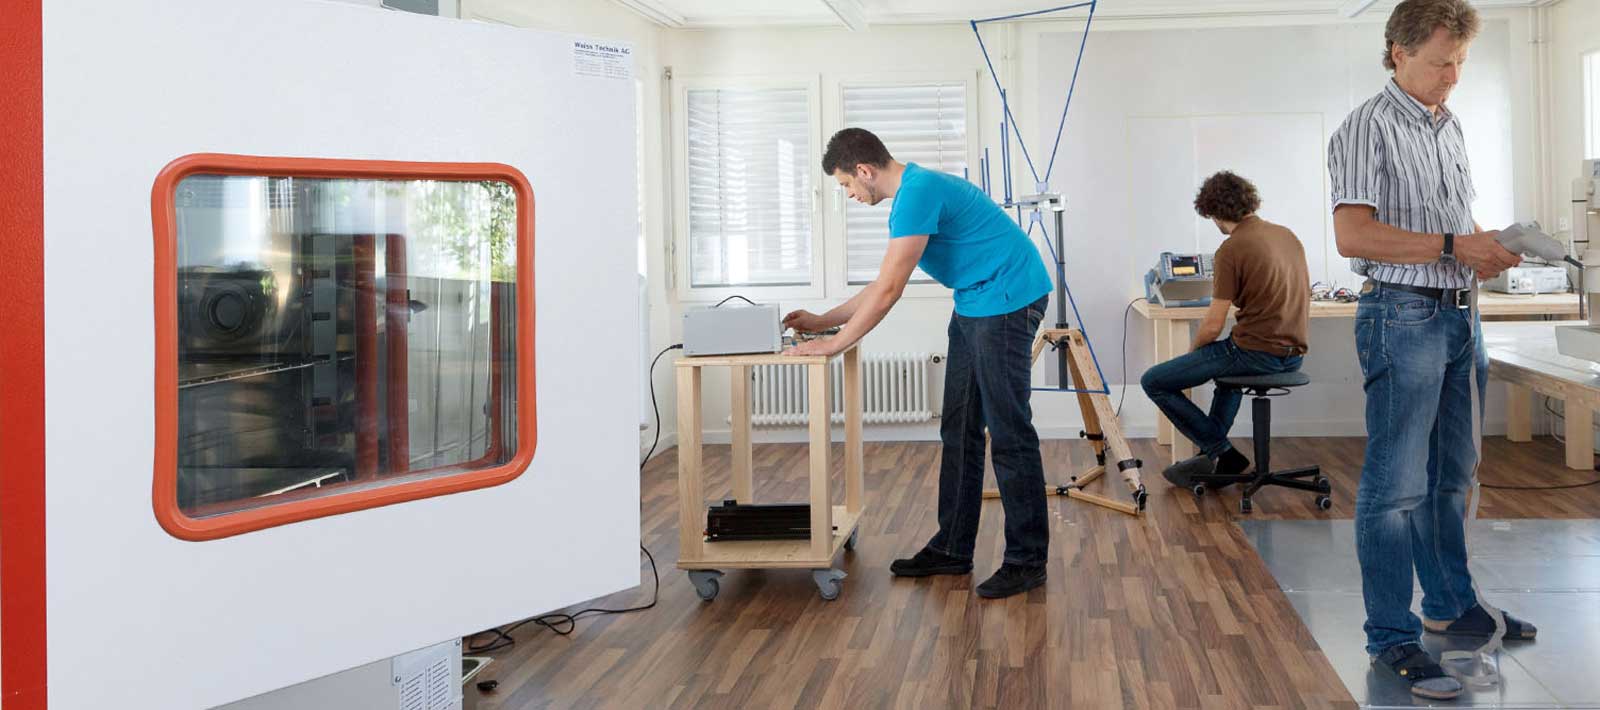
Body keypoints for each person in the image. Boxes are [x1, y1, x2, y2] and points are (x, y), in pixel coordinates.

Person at [1328, 0, 1536, 700]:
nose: (1452, 76)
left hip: (1459, 314)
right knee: (1395, 489)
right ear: (1396, 52)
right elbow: (1353, 236)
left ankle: (1449, 603)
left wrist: (1485, 250)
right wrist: (1454, 247)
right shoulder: (1366, 127)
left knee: (1455, 473)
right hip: (1403, 317)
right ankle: (1391, 637)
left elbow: (1454, 221)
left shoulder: (1451, 126)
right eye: (1440, 62)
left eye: (1460, 64)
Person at [782, 128, 1053, 599]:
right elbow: (884, 281)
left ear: (865, 171)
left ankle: (1027, 560)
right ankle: (952, 548)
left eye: (846, 184)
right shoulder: (914, 195)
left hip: (1009, 298)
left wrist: (832, 345)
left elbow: (889, 292)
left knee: (1009, 433)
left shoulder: (917, 193)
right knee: (959, 428)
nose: (849, 194)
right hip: (975, 302)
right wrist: (824, 321)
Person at [1141, 171, 1310, 487]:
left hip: (1257, 353)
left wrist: (1193, 356)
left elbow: (1212, 324)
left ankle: (1223, 452)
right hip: (1293, 355)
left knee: (1154, 381)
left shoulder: (1231, 249)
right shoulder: (1287, 235)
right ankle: (1215, 456)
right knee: (1226, 375)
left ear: (1213, 212)